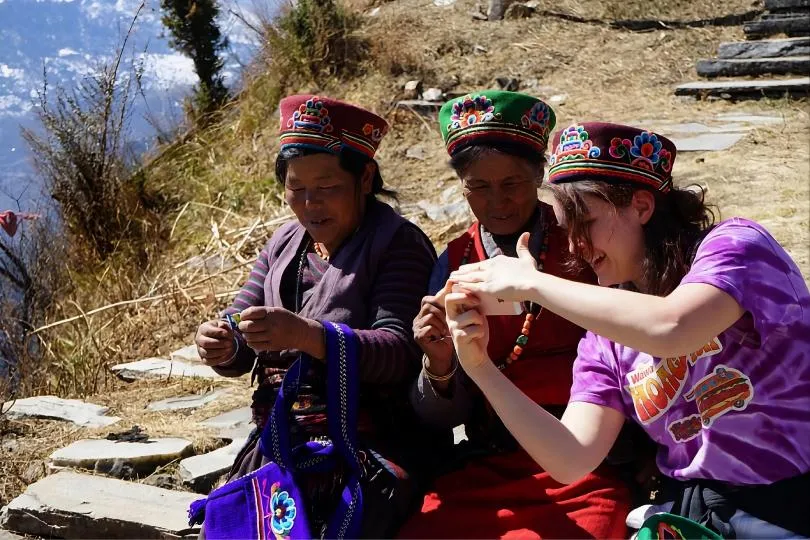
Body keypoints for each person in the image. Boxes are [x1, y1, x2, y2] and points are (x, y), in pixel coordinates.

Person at [445, 121, 810, 538]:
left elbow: (674, 326)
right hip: (690, 514)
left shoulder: (738, 247)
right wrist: (479, 369)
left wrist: (534, 284)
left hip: (787, 502)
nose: (576, 246)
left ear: (641, 206)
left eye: (586, 224)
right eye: (567, 230)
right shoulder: (605, 335)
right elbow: (570, 457)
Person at [193, 95, 437, 537]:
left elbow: (401, 350)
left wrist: (308, 335)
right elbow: (241, 323)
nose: (309, 203)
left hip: (370, 446)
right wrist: (224, 341)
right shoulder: (285, 243)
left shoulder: (397, 244)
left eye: (326, 187)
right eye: (296, 188)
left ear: (364, 178)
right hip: (281, 443)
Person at [398, 92, 633, 539]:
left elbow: (632, 341)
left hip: (586, 456)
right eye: (479, 188)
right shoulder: (455, 262)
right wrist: (440, 363)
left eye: (513, 183)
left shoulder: (583, 244)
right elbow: (439, 415)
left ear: (540, 175)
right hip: (492, 458)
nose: (497, 202)